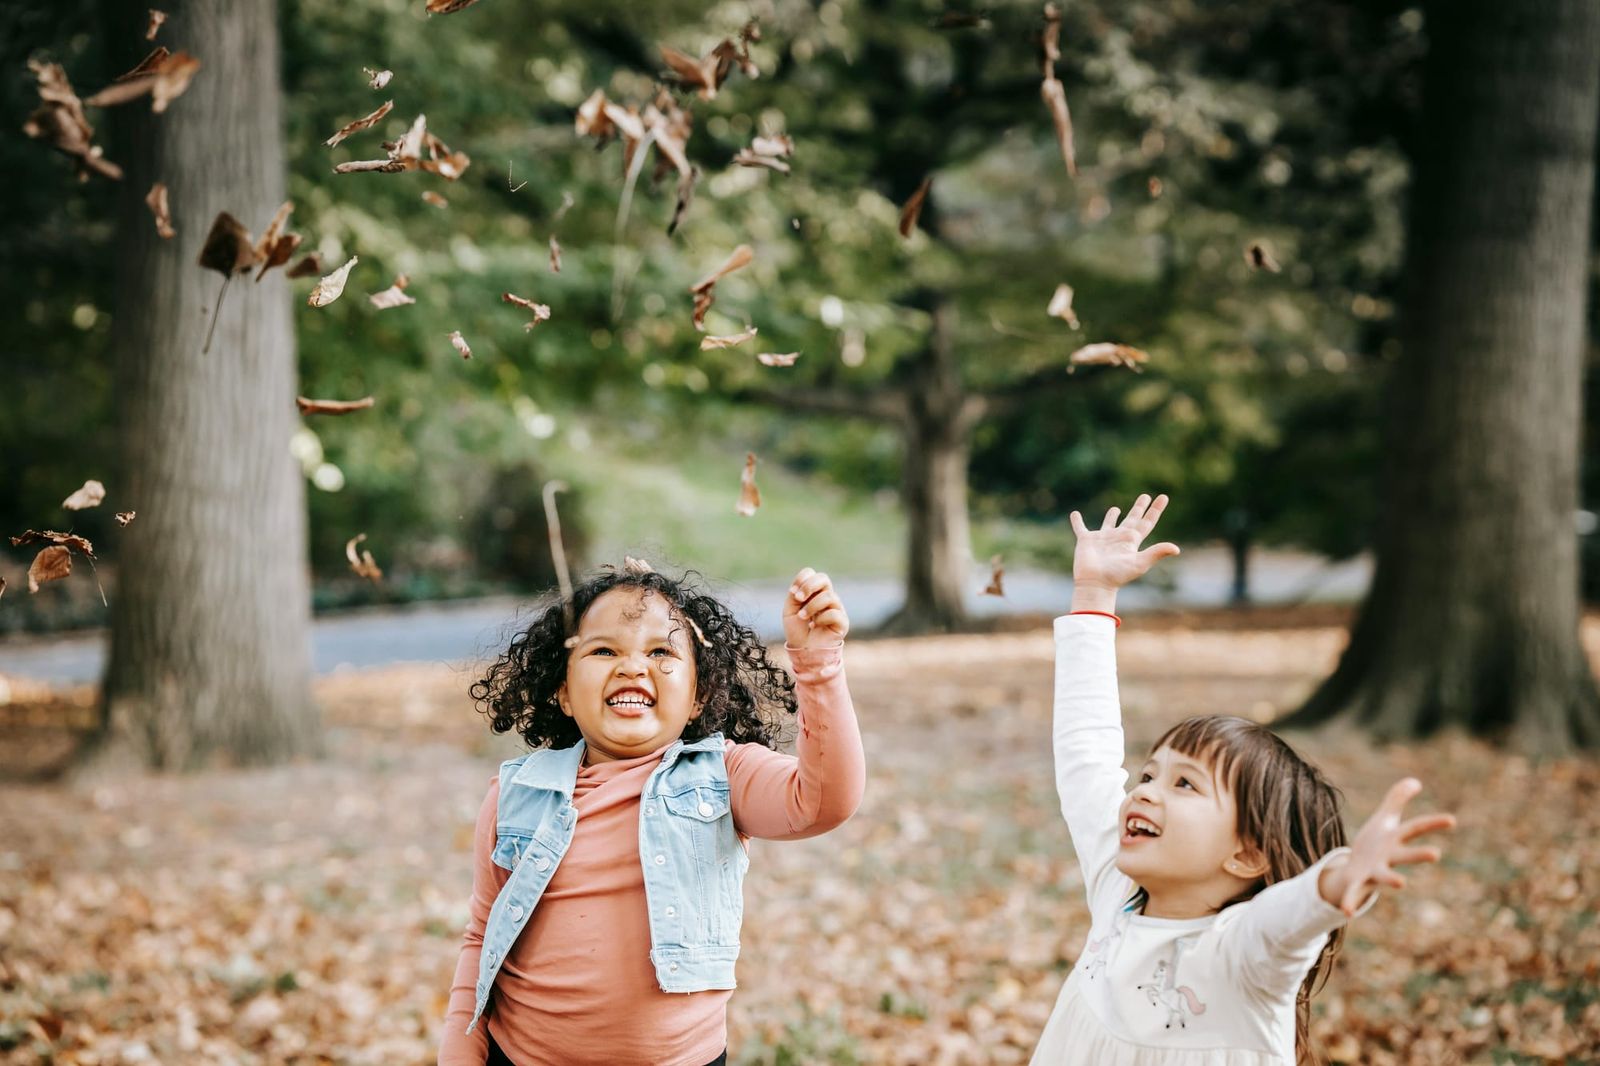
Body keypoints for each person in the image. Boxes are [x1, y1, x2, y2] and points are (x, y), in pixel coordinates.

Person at [1032, 494, 1456, 1065]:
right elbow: (1088, 751)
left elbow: (1294, 917)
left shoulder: (1245, 956)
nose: (1146, 790)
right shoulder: (1118, 890)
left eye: (1184, 785)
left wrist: (1341, 878)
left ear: (1249, 854)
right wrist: (1093, 596)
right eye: (1152, 773)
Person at [438, 560, 865, 1066]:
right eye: (603, 650)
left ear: (698, 694)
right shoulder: (518, 792)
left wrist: (820, 667)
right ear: (563, 692)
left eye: (661, 651)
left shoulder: (722, 775)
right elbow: (482, 936)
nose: (632, 666)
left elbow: (824, 801)